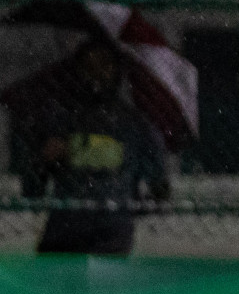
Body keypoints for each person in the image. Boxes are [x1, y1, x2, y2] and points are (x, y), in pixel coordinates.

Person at [9, 38, 170, 255]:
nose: (97, 74)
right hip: (62, 238)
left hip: (111, 240)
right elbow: (31, 191)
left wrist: (123, 208)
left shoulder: (136, 125)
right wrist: (43, 160)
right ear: (78, 72)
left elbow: (159, 191)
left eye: (105, 65)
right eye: (88, 66)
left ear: (117, 70)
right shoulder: (59, 120)